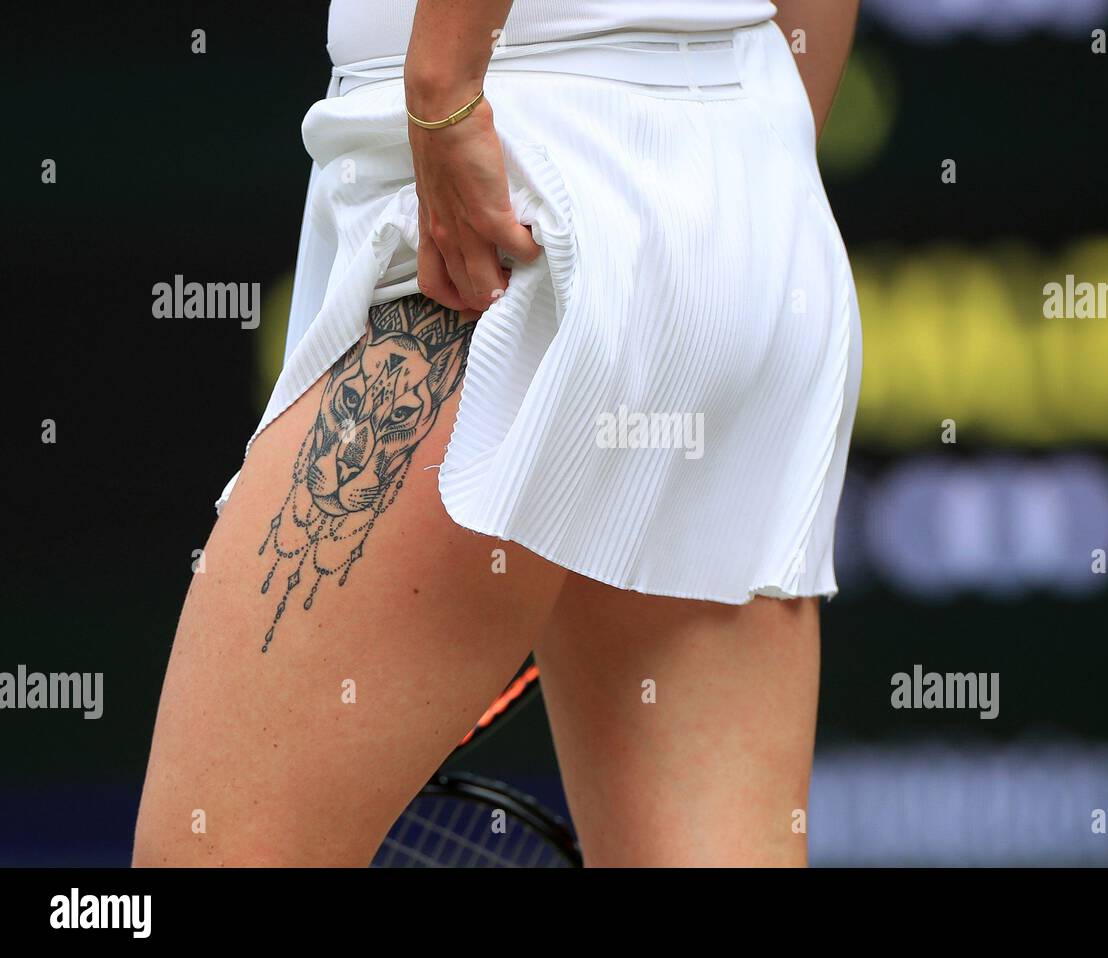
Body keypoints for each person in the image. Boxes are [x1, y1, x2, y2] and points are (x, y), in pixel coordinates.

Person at [133, 0, 861, 867]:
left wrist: (443, 84)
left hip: (507, 198)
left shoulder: (470, 117)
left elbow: (448, 81)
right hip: (751, 199)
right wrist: (745, 183)